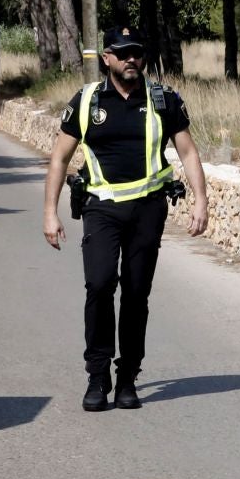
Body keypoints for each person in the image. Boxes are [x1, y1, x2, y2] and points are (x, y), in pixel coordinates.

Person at [42, 27, 210, 412]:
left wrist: (201, 200)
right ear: (107, 58)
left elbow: (188, 152)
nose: (131, 59)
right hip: (101, 208)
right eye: (123, 53)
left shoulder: (162, 100)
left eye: (136, 52)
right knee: (100, 286)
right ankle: (97, 375)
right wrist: (49, 212)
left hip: (148, 209)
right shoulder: (86, 101)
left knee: (136, 294)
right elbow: (59, 158)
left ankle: (128, 377)